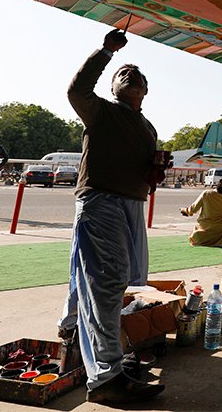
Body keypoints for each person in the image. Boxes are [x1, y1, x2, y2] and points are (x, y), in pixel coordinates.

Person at [56, 28, 167, 405]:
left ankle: (73, 335)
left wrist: (152, 171)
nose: (130, 74)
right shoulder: (100, 110)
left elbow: (140, 167)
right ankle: (106, 376)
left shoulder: (147, 126)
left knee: (89, 278)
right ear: (114, 87)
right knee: (107, 283)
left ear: (146, 91)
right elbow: (77, 91)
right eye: (123, 73)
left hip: (130, 205)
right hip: (101, 202)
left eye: (137, 75)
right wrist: (106, 52)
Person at [180, 174, 222, 246]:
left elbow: (193, 209)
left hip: (203, 229)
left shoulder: (207, 194)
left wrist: (185, 210)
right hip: (220, 230)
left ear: (217, 184)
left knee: (195, 236)